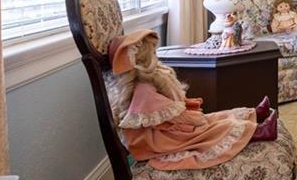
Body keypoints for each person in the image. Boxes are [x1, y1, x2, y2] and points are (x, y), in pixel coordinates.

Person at [107, 30, 277, 171]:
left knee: (214, 118)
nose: (155, 56)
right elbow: (171, 115)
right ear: (142, 60)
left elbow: (169, 110)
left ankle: (254, 114)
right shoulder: (143, 92)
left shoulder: (148, 82)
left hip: (165, 129)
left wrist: (187, 108)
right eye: (152, 53)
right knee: (211, 130)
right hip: (160, 140)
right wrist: (191, 116)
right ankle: (258, 131)